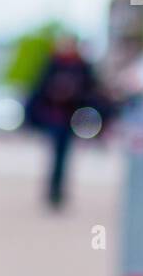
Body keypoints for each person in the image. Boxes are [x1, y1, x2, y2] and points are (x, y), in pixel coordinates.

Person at [26, 36, 100, 208]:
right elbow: (39, 88)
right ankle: (53, 190)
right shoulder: (53, 64)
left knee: (63, 155)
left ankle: (58, 191)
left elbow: (91, 90)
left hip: (71, 117)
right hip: (54, 116)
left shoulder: (81, 66)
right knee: (56, 153)